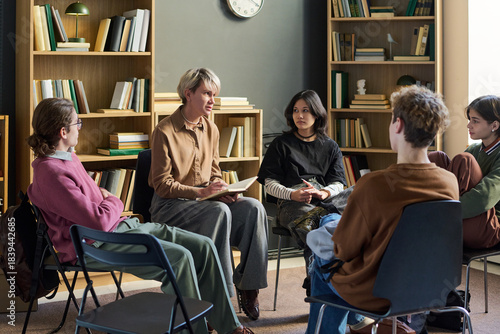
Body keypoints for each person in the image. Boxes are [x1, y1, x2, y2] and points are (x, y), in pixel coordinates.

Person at [26, 98, 253, 334]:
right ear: (63, 131)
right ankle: (195, 330)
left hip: (121, 228)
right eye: (78, 123)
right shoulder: (51, 173)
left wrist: (106, 201)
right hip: (95, 244)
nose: (80, 128)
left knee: (203, 246)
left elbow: (99, 209)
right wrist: (114, 199)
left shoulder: (69, 158)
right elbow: (98, 221)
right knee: (180, 258)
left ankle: (229, 327)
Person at [306, 85, 460, 333]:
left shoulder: (374, 184)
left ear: (397, 124)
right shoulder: (448, 181)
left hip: (376, 291)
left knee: (322, 264)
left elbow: (345, 249)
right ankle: (358, 324)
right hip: (429, 287)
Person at [148, 68, 268, 321]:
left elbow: (214, 172)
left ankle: (248, 285)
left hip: (206, 202)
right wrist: (202, 192)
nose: (213, 100)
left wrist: (223, 189)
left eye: (214, 94)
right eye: (207, 93)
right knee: (218, 211)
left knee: (253, 207)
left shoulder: (211, 128)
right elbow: (161, 185)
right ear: (188, 93)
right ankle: (217, 299)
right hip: (171, 207)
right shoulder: (164, 131)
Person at [257, 89, 347, 294]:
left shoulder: (330, 146)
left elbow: (339, 183)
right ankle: (319, 279)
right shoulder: (281, 144)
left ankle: (324, 278)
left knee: (351, 200)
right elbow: (268, 183)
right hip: (292, 204)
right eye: (296, 111)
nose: (300, 115)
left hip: (324, 202)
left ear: (317, 114)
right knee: (314, 228)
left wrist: (323, 193)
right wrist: (292, 194)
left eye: (305, 110)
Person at [429, 95, 500, 248]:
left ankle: (435, 217)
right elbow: (456, 182)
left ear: (494, 125)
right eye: (469, 120)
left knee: (464, 160)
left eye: (475, 121)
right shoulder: (475, 149)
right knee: (436, 157)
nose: (469, 126)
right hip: (464, 219)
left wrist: (445, 212)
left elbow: (485, 197)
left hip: (490, 227)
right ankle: (425, 212)